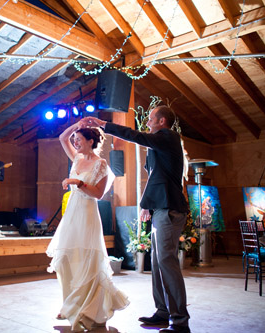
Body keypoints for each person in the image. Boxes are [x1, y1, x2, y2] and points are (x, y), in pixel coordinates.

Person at [83, 105, 191, 333]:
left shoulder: (168, 137)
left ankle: (180, 322)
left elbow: (136, 136)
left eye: (151, 118)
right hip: (160, 208)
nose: (148, 122)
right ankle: (163, 313)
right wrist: (146, 205)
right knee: (156, 262)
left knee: (167, 262)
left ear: (162, 121)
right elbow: (155, 178)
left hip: (170, 209)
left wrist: (104, 125)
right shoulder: (158, 146)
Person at [46, 123, 129, 332]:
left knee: (87, 261)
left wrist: (79, 182)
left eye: (79, 139)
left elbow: (99, 194)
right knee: (65, 258)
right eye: (75, 139)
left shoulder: (100, 164)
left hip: (87, 213)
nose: (75, 142)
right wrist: (77, 125)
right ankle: (70, 304)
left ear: (90, 142)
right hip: (72, 213)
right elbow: (61, 138)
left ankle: (89, 309)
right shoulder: (76, 158)